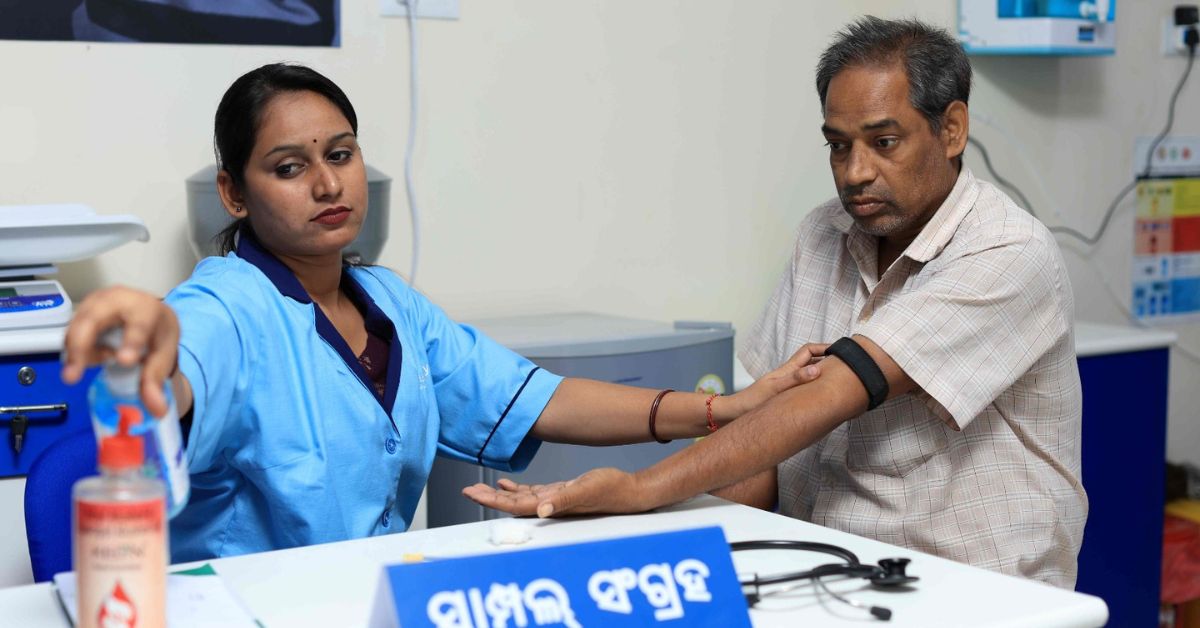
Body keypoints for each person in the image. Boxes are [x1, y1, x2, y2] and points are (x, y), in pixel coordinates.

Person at [59, 63, 818, 562]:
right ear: (233, 193)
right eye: (290, 168)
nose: (327, 184)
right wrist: (145, 348)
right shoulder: (226, 304)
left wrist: (730, 409)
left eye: (342, 153)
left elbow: (541, 397)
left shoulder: (389, 304)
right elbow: (180, 363)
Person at [464, 16, 1087, 589]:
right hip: (828, 573)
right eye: (838, 146)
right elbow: (768, 439)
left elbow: (827, 395)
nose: (854, 172)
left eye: (884, 142)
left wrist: (638, 489)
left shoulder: (1007, 251)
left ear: (951, 129)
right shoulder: (823, 236)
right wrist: (654, 555)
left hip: (973, 590)